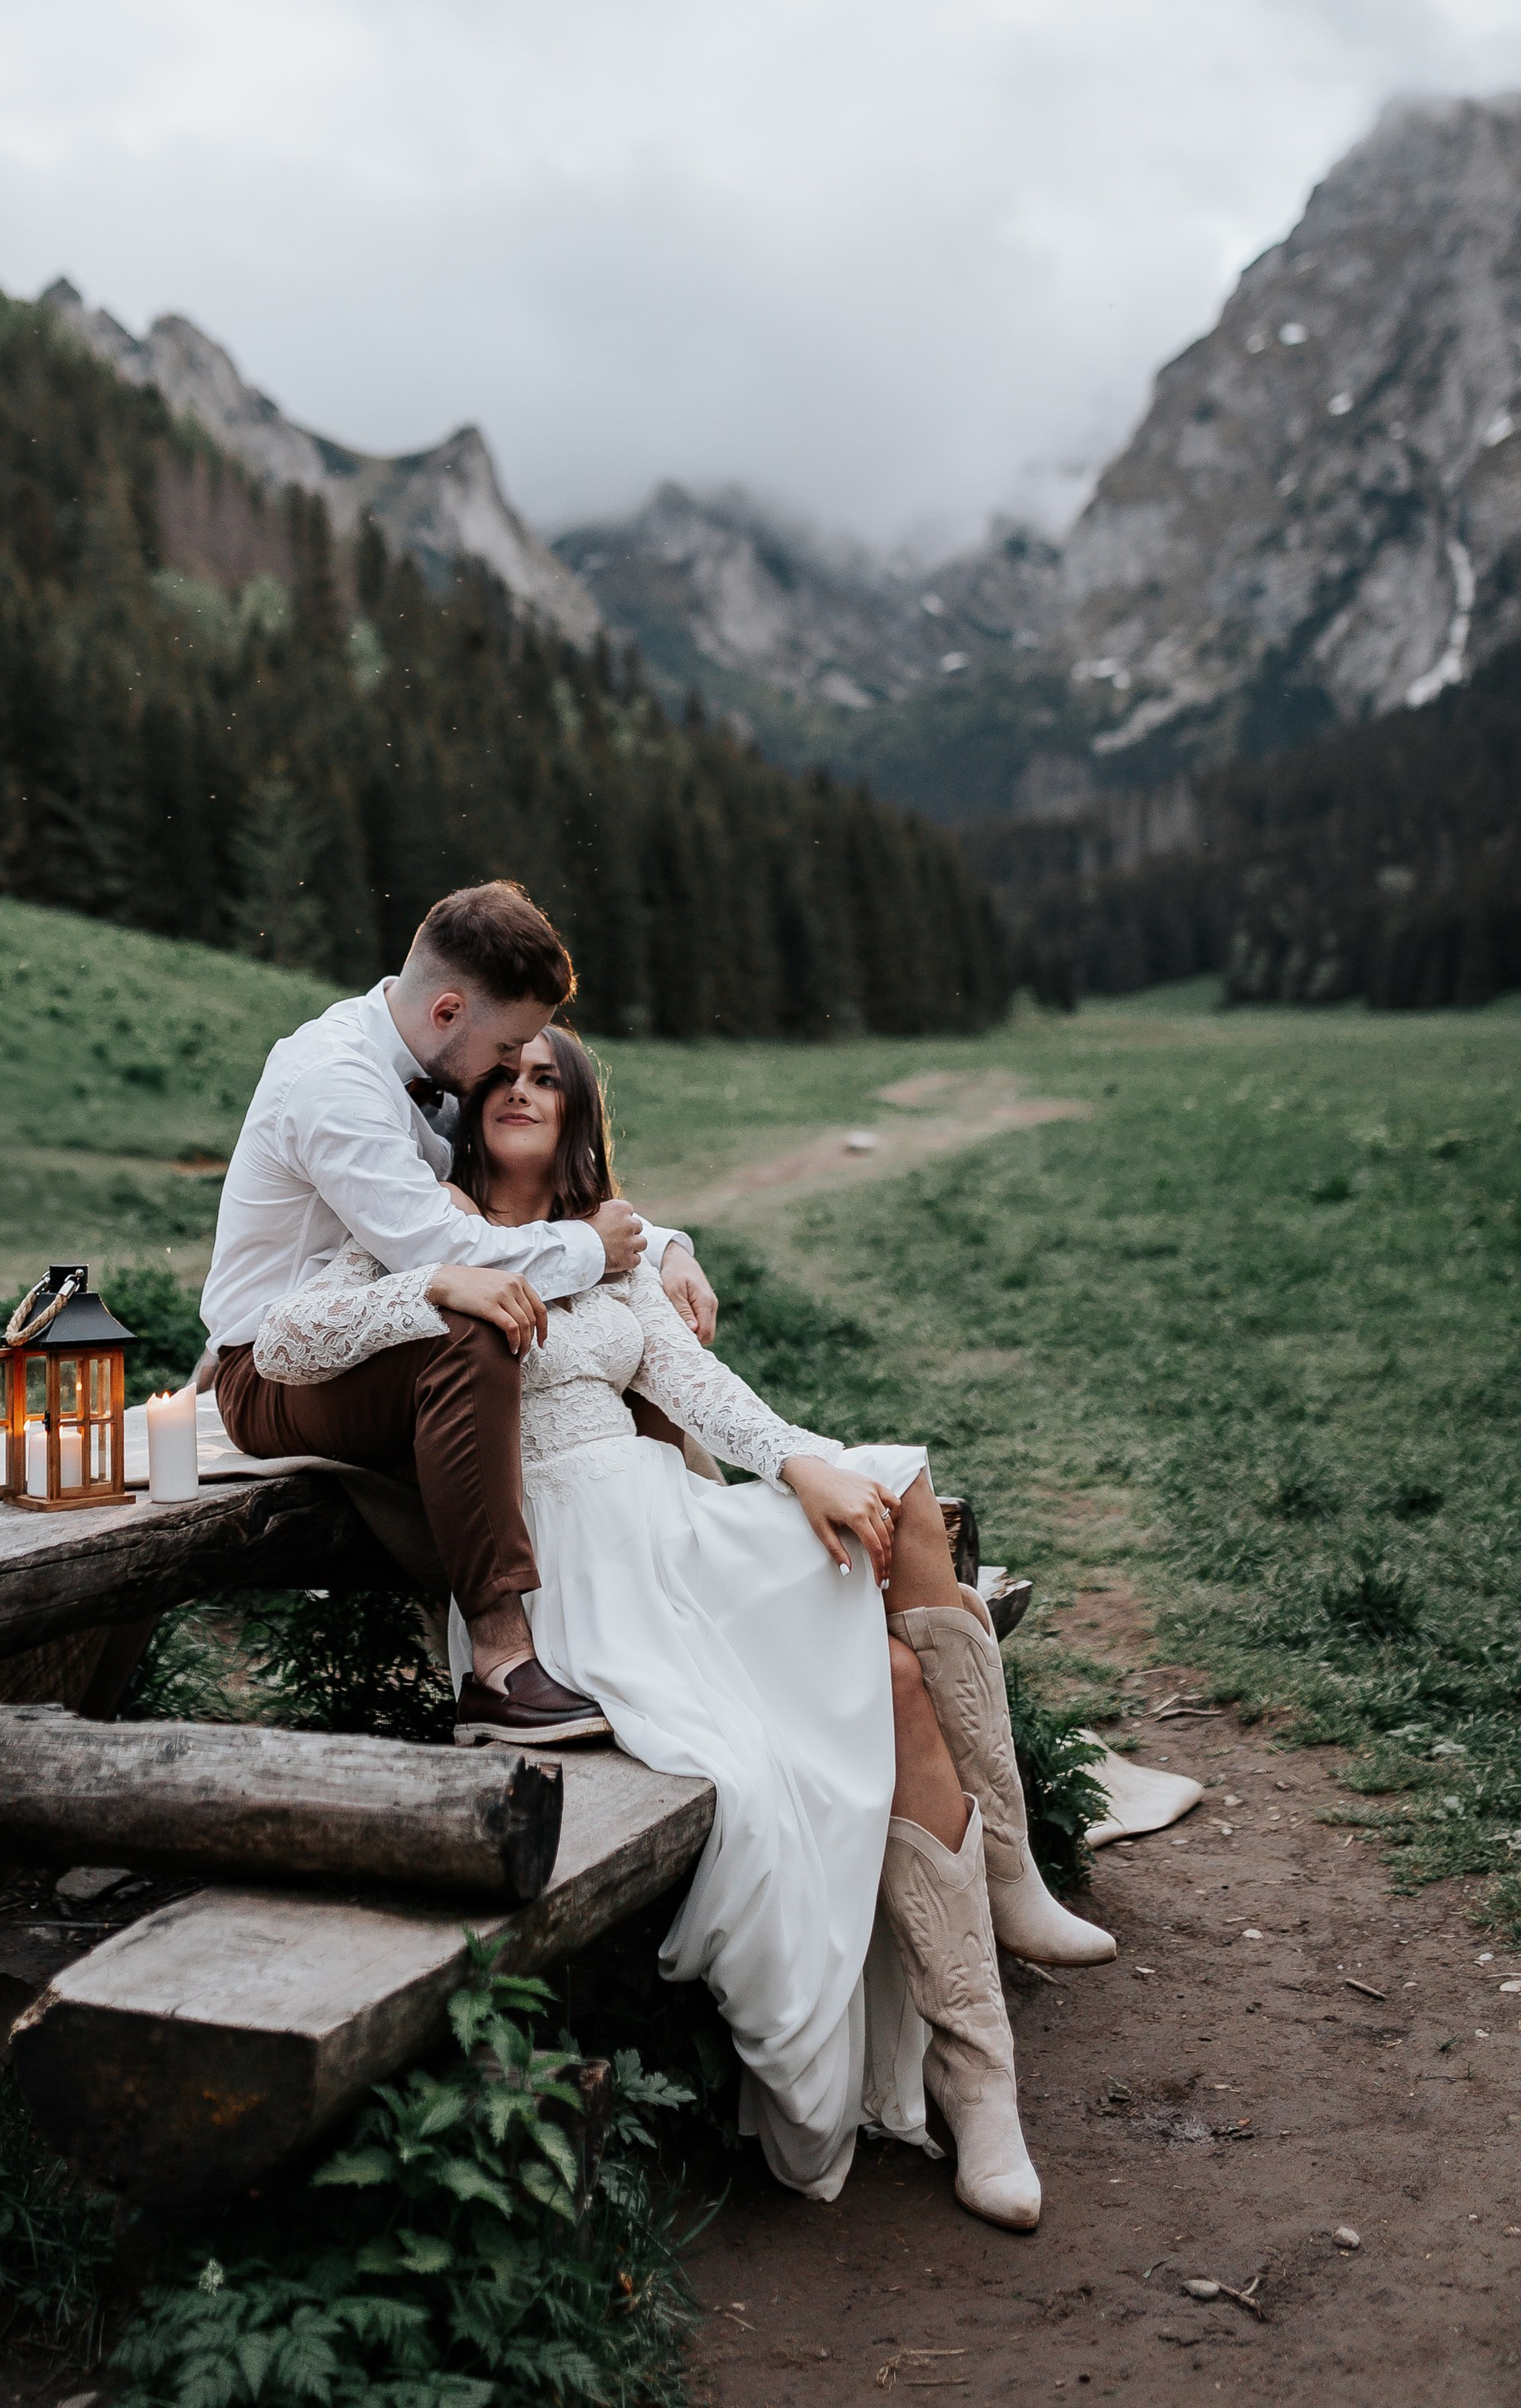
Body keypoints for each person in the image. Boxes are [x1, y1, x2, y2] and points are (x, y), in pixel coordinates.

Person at [251, 1027, 1117, 2223]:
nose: (518, 1088)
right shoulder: (418, 1224)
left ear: (578, 1111)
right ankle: (989, 1939)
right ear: (467, 1100)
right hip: (563, 1574)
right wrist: (435, 1284)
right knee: (824, 1736)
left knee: (889, 1522)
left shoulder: (611, 1256)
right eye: (501, 1074)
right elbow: (282, 1340)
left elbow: (695, 1386)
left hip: (672, 1523)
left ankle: (983, 2080)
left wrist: (798, 1461)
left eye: (546, 1077)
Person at [201, 882, 722, 1747]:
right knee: (473, 1334)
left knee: (609, 1353)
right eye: (509, 1044)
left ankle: (671, 1598)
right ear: (448, 1010)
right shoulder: (333, 1084)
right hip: (272, 1367)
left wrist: (660, 1244)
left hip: (382, 1341)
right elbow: (448, 1254)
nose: (511, 1067)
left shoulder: (436, 1056)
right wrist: (598, 1250)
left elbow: (515, 1200)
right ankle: (502, 1664)